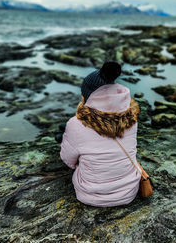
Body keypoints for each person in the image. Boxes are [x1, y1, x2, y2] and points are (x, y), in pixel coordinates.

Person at [60, 61, 142, 207]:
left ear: (86, 97)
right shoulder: (132, 119)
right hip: (129, 191)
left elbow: (68, 161)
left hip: (90, 194)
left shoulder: (76, 124)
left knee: (75, 149)